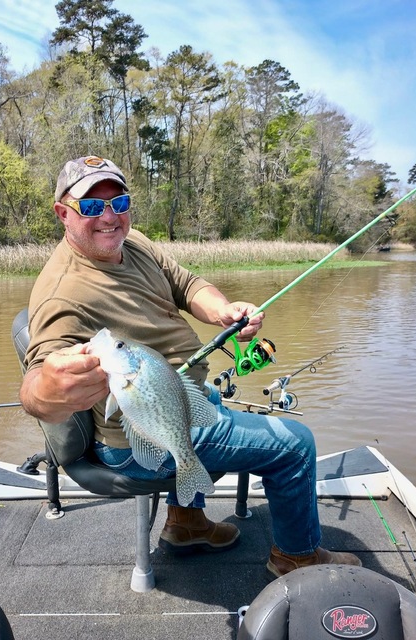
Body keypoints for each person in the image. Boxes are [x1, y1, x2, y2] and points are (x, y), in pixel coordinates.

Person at [20, 155, 362, 578]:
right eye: (91, 207)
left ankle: (186, 524)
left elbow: (186, 283)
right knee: (295, 445)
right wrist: (48, 390)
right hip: (136, 438)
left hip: (177, 393)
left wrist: (223, 311)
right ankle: (296, 556)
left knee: (210, 394)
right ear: (63, 214)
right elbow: (37, 386)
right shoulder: (61, 294)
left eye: (119, 202)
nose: (109, 217)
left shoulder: (133, 241)